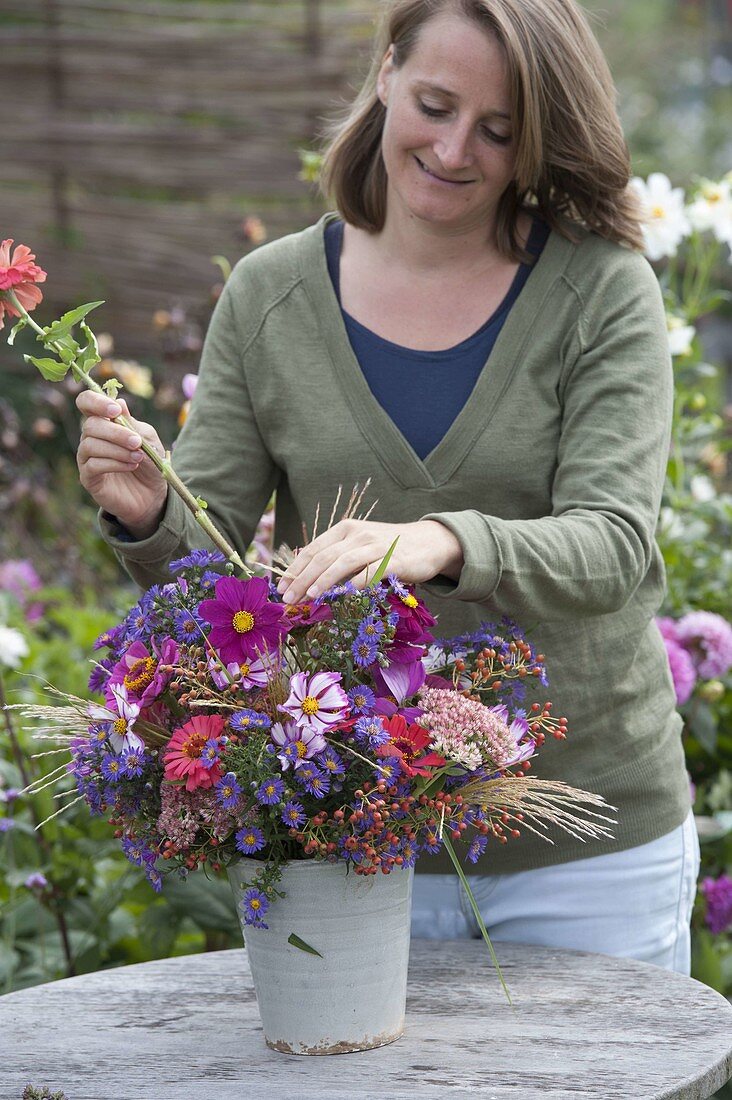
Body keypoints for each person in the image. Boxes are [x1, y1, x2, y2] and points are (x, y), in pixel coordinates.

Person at [75, 0, 699, 973]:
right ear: (387, 73)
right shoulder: (271, 295)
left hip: (586, 857)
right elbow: (214, 583)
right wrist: (144, 509)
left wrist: (441, 540)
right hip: (349, 846)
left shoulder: (601, 289)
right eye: (437, 105)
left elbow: (614, 544)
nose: (456, 150)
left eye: (499, 131)